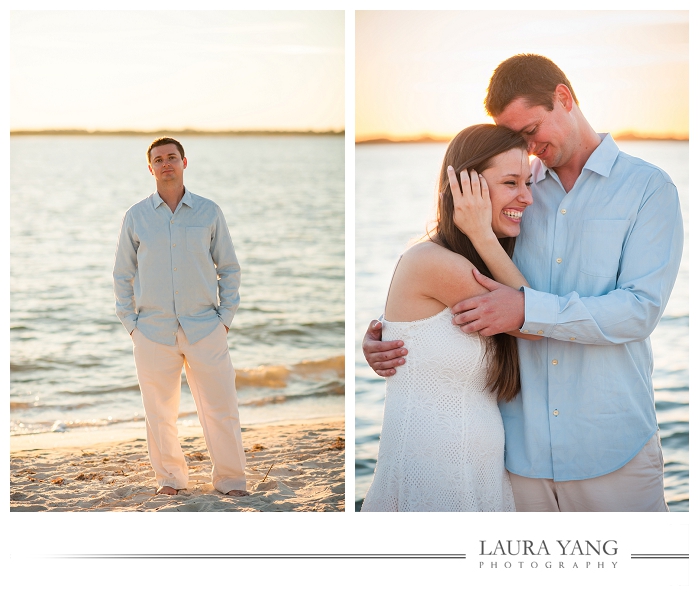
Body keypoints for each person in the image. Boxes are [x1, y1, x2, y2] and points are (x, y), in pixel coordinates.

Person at [363, 54, 683, 512]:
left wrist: (528, 310)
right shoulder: (515, 187)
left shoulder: (649, 189)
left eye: (531, 131)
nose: (530, 148)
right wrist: (390, 329)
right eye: (519, 138)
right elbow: (450, 262)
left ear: (564, 98)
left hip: (612, 448)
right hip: (518, 456)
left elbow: (639, 310)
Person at [362, 124, 538, 511]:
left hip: (478, 467)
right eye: (510, 182)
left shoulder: (481, 261)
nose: (526, 197)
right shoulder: (433, 261)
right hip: (435, 468)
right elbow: (536, 324)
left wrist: (483, 237)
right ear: (464, 188)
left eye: (527, 181)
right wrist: (480, 232)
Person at [113, 137, 248, 497]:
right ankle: (170, 481)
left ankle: (232, 482)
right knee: (159, 415)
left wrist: (225, 318)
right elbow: (121, 275)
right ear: (150, 168)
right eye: (159, 159)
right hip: (152, 332)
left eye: (172, 157)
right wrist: (132, 325)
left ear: (184, 163)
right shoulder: (136, 216)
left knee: (222, 410)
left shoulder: (209, 212)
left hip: (206, 328)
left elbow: (229, 268)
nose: (166, 164)